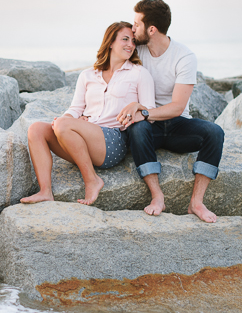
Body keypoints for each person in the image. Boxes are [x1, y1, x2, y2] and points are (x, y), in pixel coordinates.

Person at [21, 21, 155, 206]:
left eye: (133, 41)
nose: (130, 45)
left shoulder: (139, 73)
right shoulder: (88, 75)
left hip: (113, 141)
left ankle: (92, 181)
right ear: (110, 42)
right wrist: (65, 122)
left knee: (63, 124)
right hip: (85, 137)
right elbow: (75, 109)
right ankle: (45, 191)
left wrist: (134, 109)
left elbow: (151, 112)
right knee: (36, 129)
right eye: (125, 39)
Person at [117, 0, 224, 223]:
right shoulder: (138, 51)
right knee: (138, 131)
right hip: (147, 129)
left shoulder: (184, 57)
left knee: (215, 132)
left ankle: (196, 202)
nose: (133, 29)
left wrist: (145, 113)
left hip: (176, 125)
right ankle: (157, 196)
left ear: (152, 29)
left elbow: (177, 107)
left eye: (137, 24)